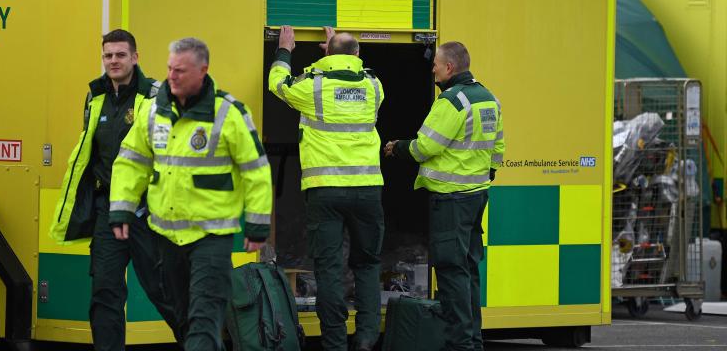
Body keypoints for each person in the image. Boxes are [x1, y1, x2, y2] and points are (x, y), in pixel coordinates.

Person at [109, 37, 272, 351]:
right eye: (170, 68)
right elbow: (131, 161)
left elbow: (256, 171)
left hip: (211, 236)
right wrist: (122, 208)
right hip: (166, 237)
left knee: (203, 317)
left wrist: (257, 224)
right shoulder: (154, 112)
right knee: (184, 319)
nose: (172, 76)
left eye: (180, 70)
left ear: (203, 71)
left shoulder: (229, 114)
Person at [49, 29, 183, 350]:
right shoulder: (95, 96)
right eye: (108, 55)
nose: (113, 61)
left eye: (120, 55)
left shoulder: (155, 94)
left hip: (146, 211)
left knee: (164, 291)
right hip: (108, 209)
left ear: (135, 58)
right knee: (105, 292)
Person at [268, 26, 385, 351]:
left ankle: (334, 343)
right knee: (367, 263)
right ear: (357, 55)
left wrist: (285, 50)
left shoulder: (312, 86)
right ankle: (365, 338)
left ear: (328, 53)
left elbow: (277, 83)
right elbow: (350, 79)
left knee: (329, 267)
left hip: (325, 190)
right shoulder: (375, 85)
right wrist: (333, 57)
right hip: (368, 189)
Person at [384, 41, 504, 351]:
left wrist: (397, 148)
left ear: (449, 67)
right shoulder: (489, 98)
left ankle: (460, 344)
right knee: (468, 269)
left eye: (436, 63)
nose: (433, 68)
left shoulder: (451, 102)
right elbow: (498, 148)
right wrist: (486, 173)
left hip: (451, 199)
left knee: (451, 273)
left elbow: (426, 147)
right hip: (477, 196)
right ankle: (473, 340)